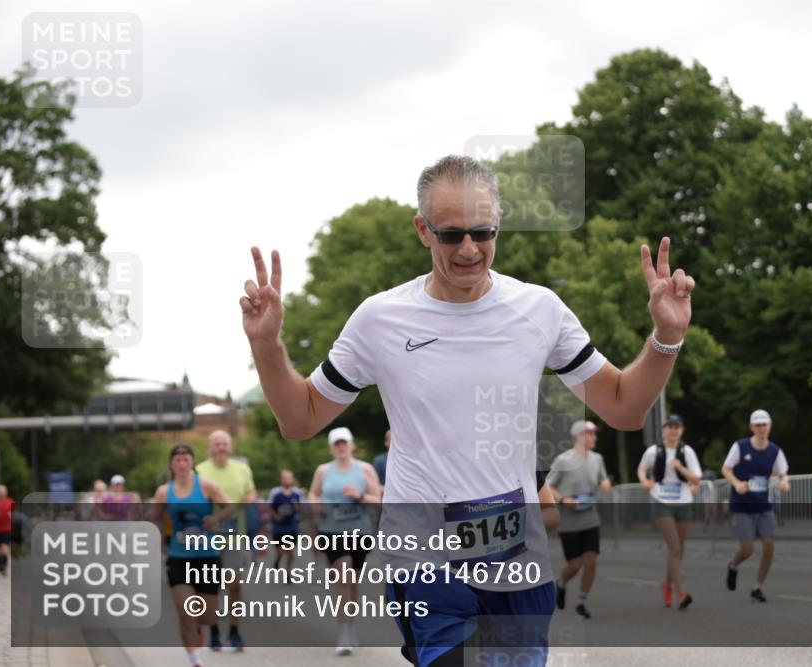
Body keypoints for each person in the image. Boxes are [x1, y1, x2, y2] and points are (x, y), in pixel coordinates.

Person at [239, 154, 694, 666]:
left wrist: (667, 336)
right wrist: (267, 345)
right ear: (423, 231)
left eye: (483, 232)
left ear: (499, 223)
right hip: (424, 560)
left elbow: (624, 407)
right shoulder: (380, 319)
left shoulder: (540, 310)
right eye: (452, 235)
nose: (470, 249)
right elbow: (300, 419)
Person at [151, 444, 234, 667]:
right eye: (177, 460)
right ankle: (194, 658)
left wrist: (215, 519)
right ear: (171, 465)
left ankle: (198, 628)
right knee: (184, 610)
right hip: (178, 557)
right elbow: (153, 517)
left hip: (207, 556)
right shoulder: (163, 492)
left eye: (185, 459)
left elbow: (229, 507)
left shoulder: (206, 485)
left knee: (207, 616)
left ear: (192, 463)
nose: (181, 464)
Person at [308, 427, 383, 656]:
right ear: (331, 448)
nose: (340, 447)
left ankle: (350, 624)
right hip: (331, 531)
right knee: (343, 576)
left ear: (352, 445)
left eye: (344, 443)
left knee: (353, 583)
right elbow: (313, 493)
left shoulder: (365, 469)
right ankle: (343, 633)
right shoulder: (323, 470)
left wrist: (359, 496)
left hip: (360, 532)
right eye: (336, 444)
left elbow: (377, 501)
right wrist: (315, 505)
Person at [195, 430, 256, 652]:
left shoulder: (242, 469)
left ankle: (234, 630)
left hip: (234, 536)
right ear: (209, 448)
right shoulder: (199, 471)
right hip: (207, 538)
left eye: (224, 443)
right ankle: (213, 631)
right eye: (217, 444)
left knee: (235, 585)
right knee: (209, 588)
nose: (221, 447)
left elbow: (251, 492)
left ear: (230, 447)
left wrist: (249, 498)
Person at [721, 409, 790, 602]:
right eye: (758, 425)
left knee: (769, 545)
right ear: (752, 427)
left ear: (770, 426)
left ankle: (757, 586)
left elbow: (782, 474)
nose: (761, 428)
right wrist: (736, 484)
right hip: (742, 505)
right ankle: (733, 565)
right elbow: (725, 469)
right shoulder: (740, 446)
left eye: (764, 425)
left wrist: (784, 483)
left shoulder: (775, 451)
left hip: (763, 505)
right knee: (748, 550)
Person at [547, 420, 611, 619]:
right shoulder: (563, 461)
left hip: (590, 518)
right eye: (590, 434)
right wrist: (563, 499)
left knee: (591, 560)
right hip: (569, 521)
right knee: (575, 564)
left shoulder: (597, 459)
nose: (594, 438)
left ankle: (582, 601)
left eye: (594, 434)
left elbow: (603, 480)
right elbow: (548, 486)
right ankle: (561, 583)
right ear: (579, 437)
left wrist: (606, 484)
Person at [637, 414, 702, 609]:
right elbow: (641, 469)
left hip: (683, 502)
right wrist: (645, 481)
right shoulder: (654, 451)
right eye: (670, 426)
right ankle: (681, 593)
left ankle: (666, 583)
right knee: (674, 548)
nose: (673, 430)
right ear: (663, 429)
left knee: (679, 549)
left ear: (681, 430)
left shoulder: (687, 451)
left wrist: (681, 468)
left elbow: (696, 479)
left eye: (676, 427)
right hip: (662, 501)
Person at [268, 469, 303, 573]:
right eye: (285, 478)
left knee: (291, 553)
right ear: (281, 479)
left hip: (291, 526)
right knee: (280, 550)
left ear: (292, 479)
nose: (287, 480)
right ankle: (278, 559)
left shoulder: (297, 493)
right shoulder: (275, 493)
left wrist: (298, 508)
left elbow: (303, 508)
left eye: (289, 478)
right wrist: (275, 516)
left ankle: (288, 573)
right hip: (278, 527)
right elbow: (269, 507)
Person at [0, 485, 16, 576]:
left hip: (6, 529)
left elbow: (14, 514)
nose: (2, 493)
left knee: (4, 548)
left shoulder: (10, 502)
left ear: (6, 492)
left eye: (3, 491)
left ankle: (4, 566)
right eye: (0, 491)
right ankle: (0, 566)